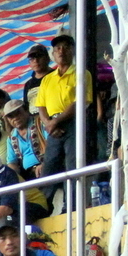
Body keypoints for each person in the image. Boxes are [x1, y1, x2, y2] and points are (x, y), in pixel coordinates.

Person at [35, 34, 93, 197]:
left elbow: (80, 102)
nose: (61, 51)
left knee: (73, 165)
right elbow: (41, 105)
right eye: (58, 48)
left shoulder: (81, 73)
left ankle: (71, 206)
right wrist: (48, 123)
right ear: (53, 54)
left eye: (66, 47)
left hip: (73, 122)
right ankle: (44, 206)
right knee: (49, 167)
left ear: (73, 51)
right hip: (53, 125)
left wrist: (55, 122)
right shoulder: (47, 79)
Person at [22, 44, 53, 113]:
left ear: (47, 59)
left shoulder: (56, 76)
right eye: (32, 58)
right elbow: (26, 107)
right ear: (29, 63)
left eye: (39, 56)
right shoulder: (28, 84)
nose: (35, 60)